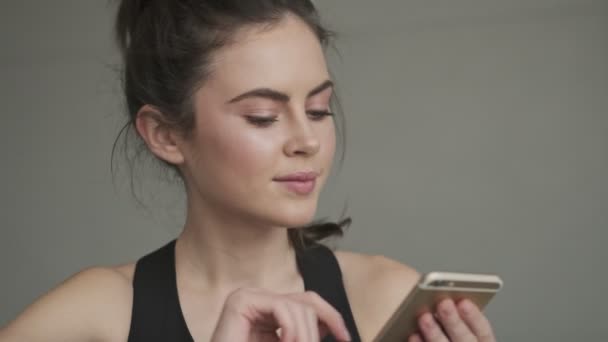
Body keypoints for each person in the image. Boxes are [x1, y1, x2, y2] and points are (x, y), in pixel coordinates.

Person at [0, 1, 498, 341]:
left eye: (320, 110)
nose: (306, 141)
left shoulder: (386, 297)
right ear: (166, 134)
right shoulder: (96, 315)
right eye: (263, 116)